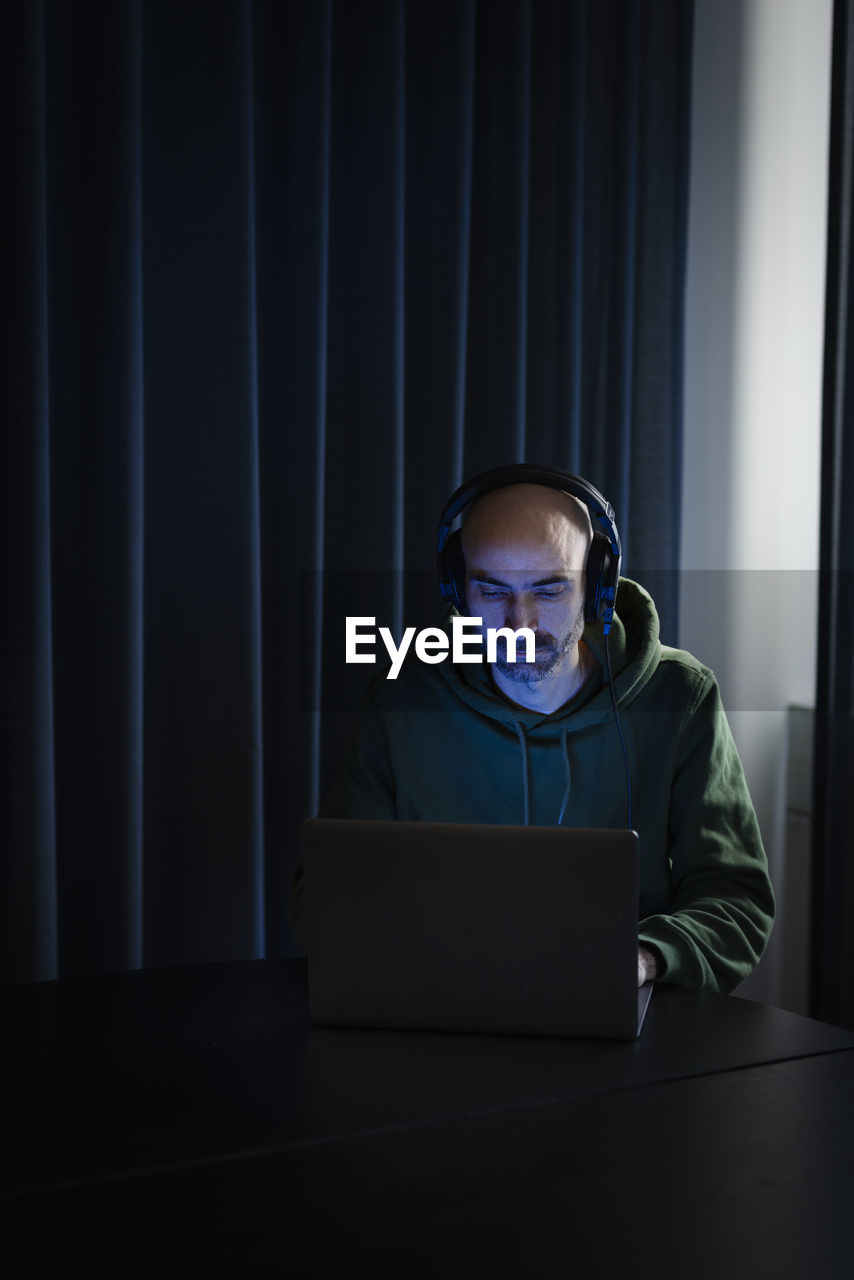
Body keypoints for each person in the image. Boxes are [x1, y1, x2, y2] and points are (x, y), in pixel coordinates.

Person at [290, 464, 775, 993]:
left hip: (619, 1012)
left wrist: (643, 958)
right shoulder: (402, 700)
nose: (519, 624)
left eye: (548, 590)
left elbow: (736, 900)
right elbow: (326, 893)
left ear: (596, 588)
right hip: (440, 1010)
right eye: (492, 591)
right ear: (456, 588)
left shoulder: (681, 697)